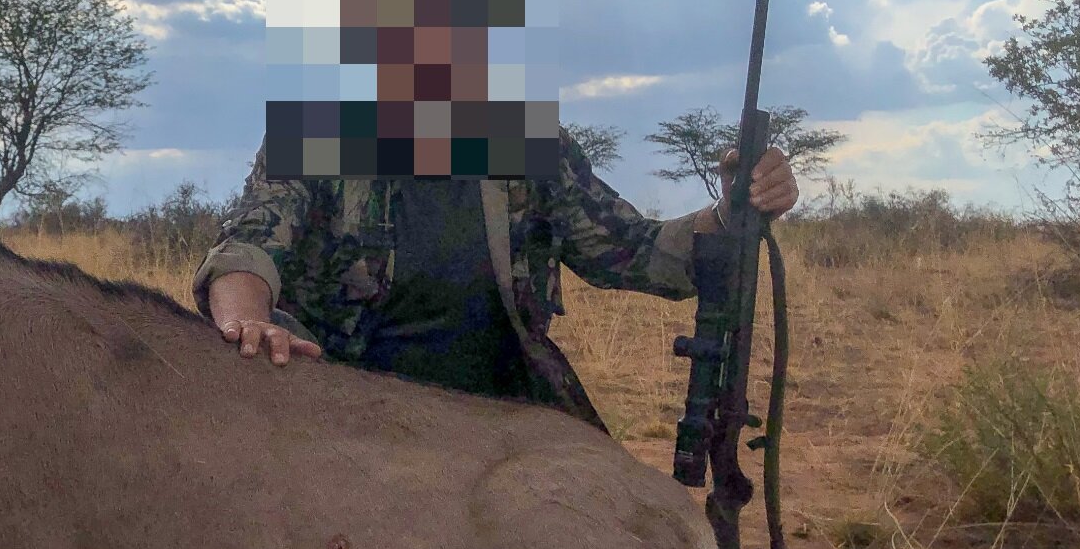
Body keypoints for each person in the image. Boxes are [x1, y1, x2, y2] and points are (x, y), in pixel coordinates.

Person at [191, 128, 798, 431]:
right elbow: (249, 239)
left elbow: (635, 251)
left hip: (507, 407)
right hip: (350, 408)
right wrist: (248, 320)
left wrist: (731, 213)